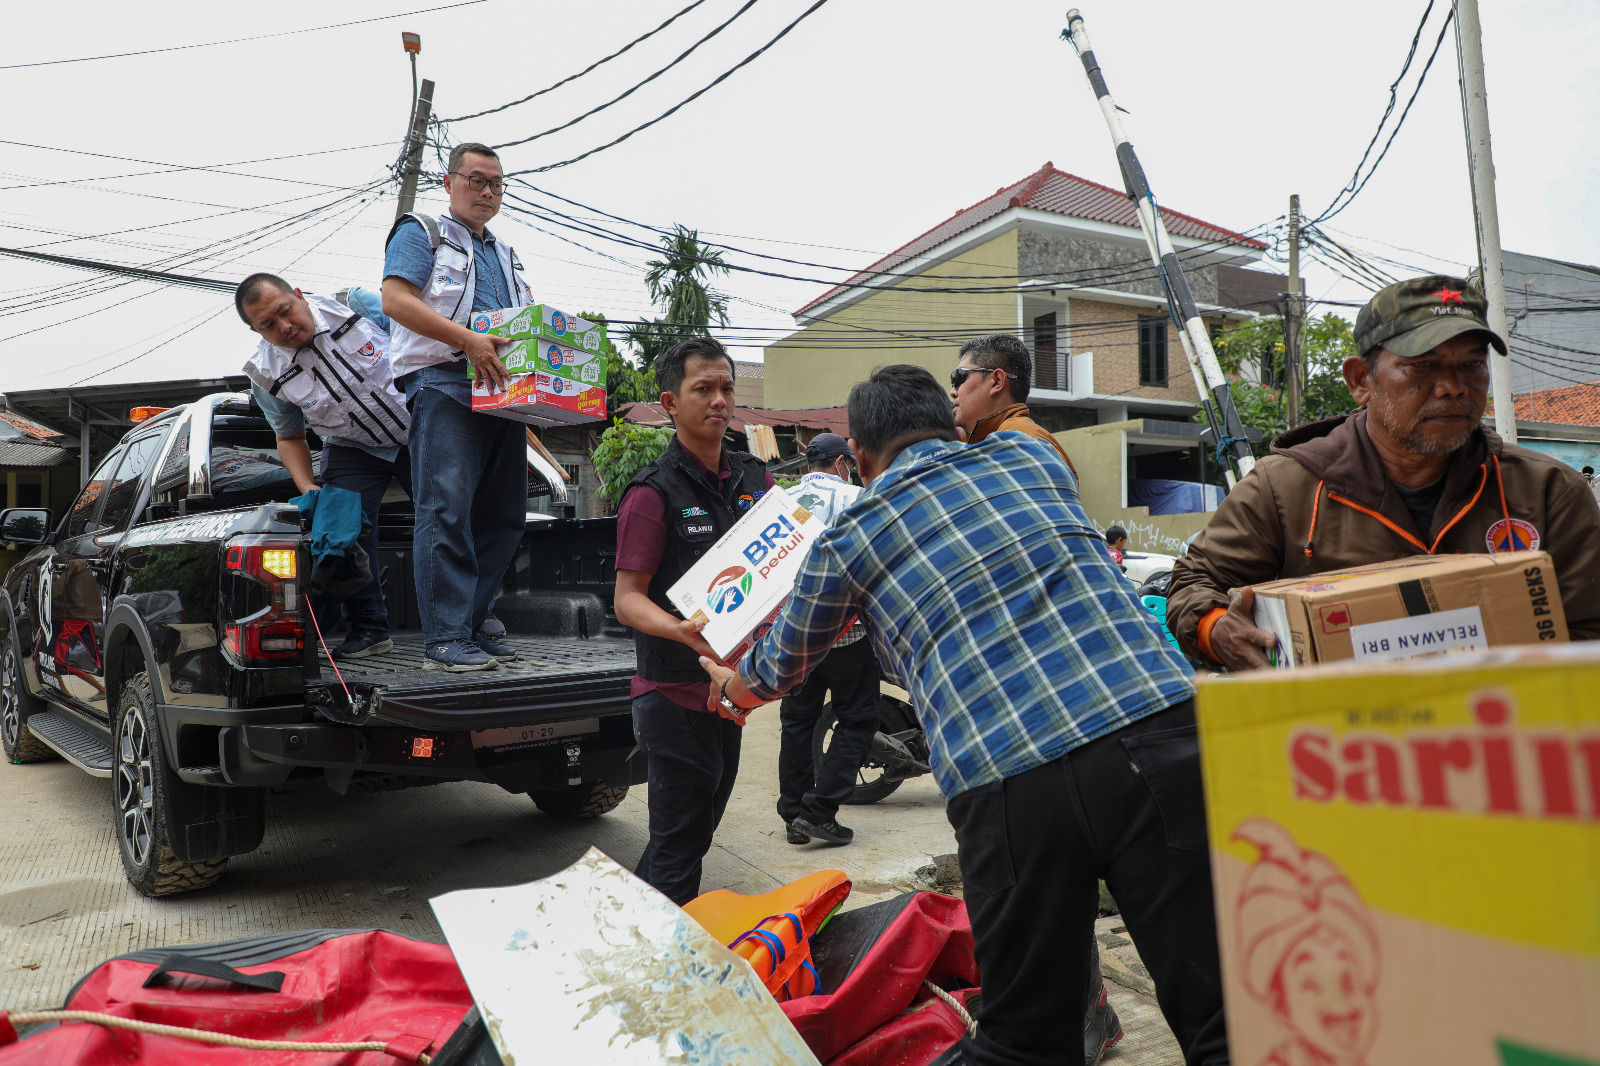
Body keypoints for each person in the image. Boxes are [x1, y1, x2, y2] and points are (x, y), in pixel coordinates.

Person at [701, 365, 1225, 1066]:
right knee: (1227, 1014)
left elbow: (781, 665)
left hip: (1011, 782)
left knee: (1024, 1043)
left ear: (858, 457)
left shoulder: (847, 540)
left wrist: (732, 690)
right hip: (1159, 731)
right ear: (952, 425)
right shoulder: (1033, 457)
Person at [1167, 274, 1600, 670]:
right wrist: (1216, 628)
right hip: (1339, 739)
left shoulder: (1548, 491)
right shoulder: (1284, 488)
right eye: (1423, 365)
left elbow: (1588, 631)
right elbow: (1192, 582)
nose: (1453, 386)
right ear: (1361, 380)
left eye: (1471, 364)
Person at [612, 337, 775, 906]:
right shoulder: (652, 493)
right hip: (674, 695)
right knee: (681, 850)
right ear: (670, 403)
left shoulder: (757, 479)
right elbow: (627, 599)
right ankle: (659, 976)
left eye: (726, 388)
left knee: (690, 836)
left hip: (731, 693)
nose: (719, 401)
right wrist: (678, 629)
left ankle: (621, 926)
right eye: (702, 389)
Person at [381, 142, 534, 672]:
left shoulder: (506, 254)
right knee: (445, 511)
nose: (487, 191)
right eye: (476, 180)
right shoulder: (422, 232)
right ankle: (444, 638)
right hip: (443, 385)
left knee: (503, 517)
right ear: (449, 184)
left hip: (503, 397)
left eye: (496, 183)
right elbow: (396, 300)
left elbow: (524, 326)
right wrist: (467, 340)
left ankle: (471, 625)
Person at [237, 274, 411, 660]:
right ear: (256, 330)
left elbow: (421, 342)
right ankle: (370, 629)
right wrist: (307, 487)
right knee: (342, 532)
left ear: (299, 296)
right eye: (268, 325)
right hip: (353, 447)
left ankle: (465, 625)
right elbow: (290, 437)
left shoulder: (356, 306)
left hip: (421, 427)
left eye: (286, 311)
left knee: (447, 518)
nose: (285, 327)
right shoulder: (266, 375)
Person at [776, 432, 882, 847]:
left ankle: (793, 814)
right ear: (841, 462)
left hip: (793, 634)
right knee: (857, 719)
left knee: (796, 722)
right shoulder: (858, 499)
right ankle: (819, 811)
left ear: (808, 465)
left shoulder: (782, 500)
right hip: (846, 633)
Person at [949, 333, 1078, 476]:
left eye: (959, 378)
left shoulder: (1027, 443)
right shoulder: (976, 444)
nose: (953, 391)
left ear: (997, 381)